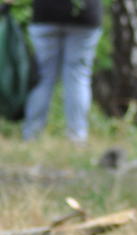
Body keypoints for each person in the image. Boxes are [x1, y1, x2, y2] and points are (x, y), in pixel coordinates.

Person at [22, 0, 102, 142]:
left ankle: (32, 135)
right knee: (78, 77)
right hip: (85, 14)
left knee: (42, 77)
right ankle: (77, 137)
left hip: (46, 13)